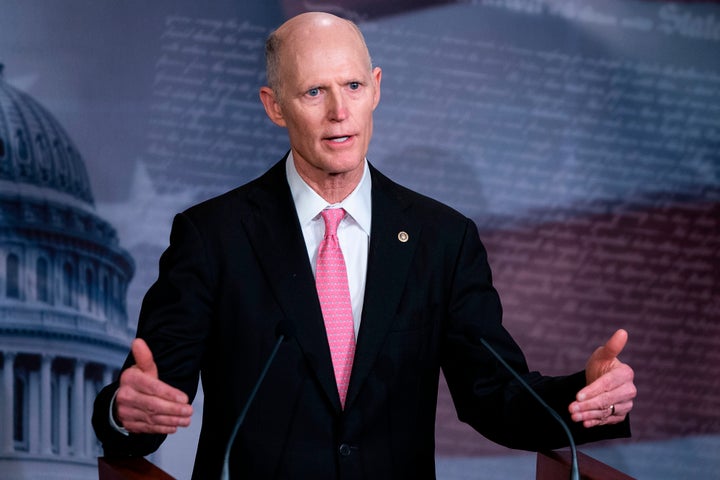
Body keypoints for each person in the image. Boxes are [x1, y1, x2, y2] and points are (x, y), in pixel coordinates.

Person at [92, 12, 636, 479]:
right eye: (313, 92)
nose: (339, 112)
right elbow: (150, 395)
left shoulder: (441, 239)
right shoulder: (213, 237)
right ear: (274, 105)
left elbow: (494, 394)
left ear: (376, 86)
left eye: (352, 86)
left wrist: (584, 397)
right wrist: (126, 411)